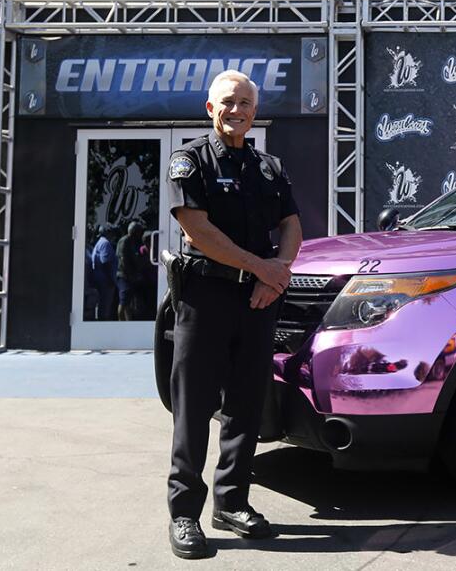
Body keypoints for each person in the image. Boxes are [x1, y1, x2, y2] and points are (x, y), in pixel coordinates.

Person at [163, 70, 301, 559]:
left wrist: (276, 274)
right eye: (227, 101)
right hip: (205, 298)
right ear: (210, 108)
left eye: (245, 102)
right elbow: (198, 231)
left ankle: (232, 502)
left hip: (258, 302)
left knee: (246, 405)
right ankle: (184, 513)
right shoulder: (190, 160)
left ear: (254, 111)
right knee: (194, 407)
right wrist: (261, 267)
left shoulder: (268, 167)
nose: (237, 110)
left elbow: (291, 224)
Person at [116, 221, 147, 320]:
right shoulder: (125, 241)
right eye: (138, 231)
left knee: (129, 301)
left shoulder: (132, 242)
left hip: (130, 275)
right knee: (123, 301)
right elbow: (123, 260)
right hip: (124, 276)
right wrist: (130, 275)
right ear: (134, 231)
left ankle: (128, 322)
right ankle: (121, 322)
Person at [90, 225, 118, 320]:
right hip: (105, 281)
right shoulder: (105, 243)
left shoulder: (100, 242)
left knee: (103, 306)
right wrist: (110, 280)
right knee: (105, 307)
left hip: (101, 280)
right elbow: (105, 262)